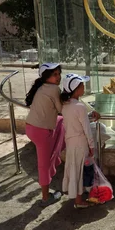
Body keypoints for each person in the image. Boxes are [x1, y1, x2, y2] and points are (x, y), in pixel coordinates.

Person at [25, 62, 64, 206]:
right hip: (41, 131)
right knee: (44, 164)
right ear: (46, 76)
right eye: (54, 75)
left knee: (61, 122)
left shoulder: (41, 87)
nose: (58, 77)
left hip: (31, 128)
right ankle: (46, 197)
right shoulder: (54, 89)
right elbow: (61, 109)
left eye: (59, 74)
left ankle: (55, 156)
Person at [61, 73, 96, 208]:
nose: (83, 87)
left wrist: (90, 116)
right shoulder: (80, 106)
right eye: (82, 85)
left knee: (73, 169)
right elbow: (86, 128)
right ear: (76, 89)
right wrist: (91, 145)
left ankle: (76, 197)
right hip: (80, 143)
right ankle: (79, 201)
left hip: (70, 142)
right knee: (80, 171)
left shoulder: (65, 105)